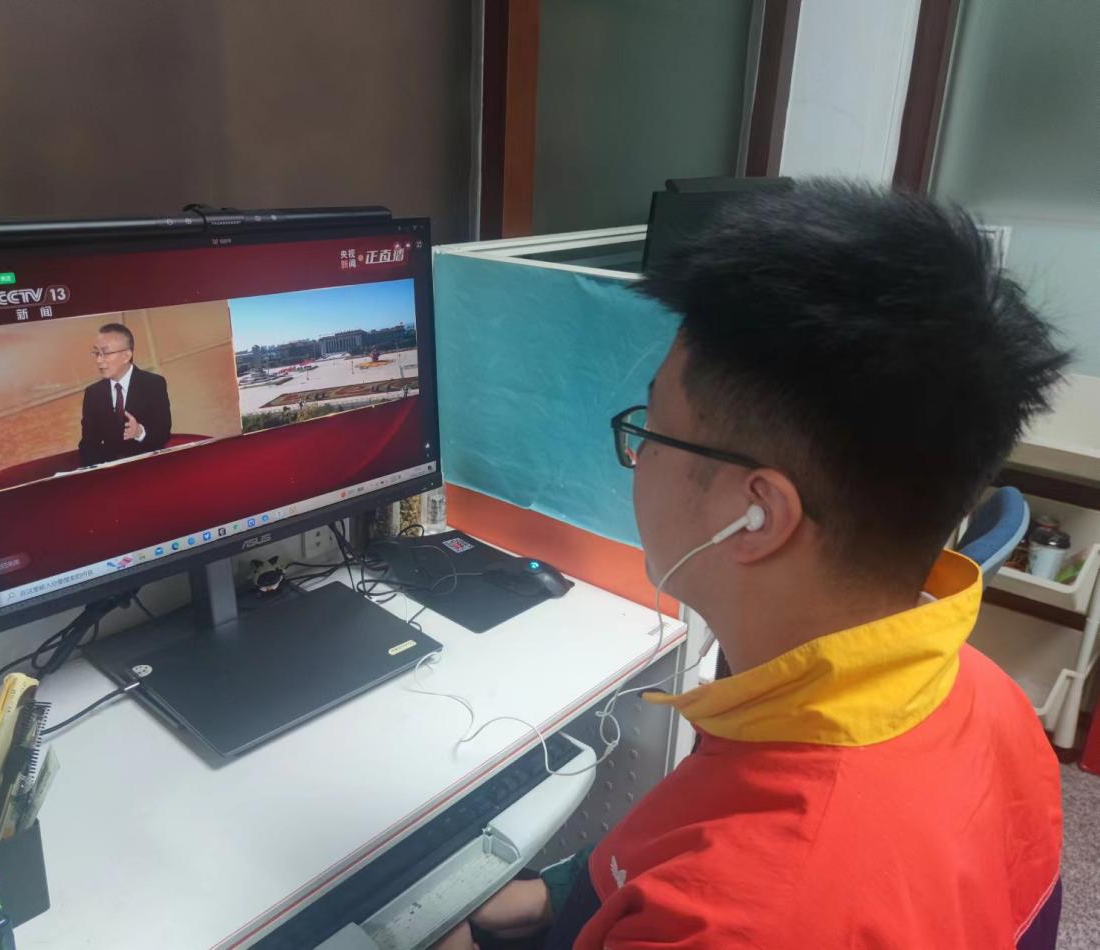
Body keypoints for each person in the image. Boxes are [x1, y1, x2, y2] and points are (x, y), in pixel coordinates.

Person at [437, 181, 1068, 949]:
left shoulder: (737, 920)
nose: (635, 456)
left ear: (756, 512)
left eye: (651, 428)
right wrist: (550, 894)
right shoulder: (988, 697)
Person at [78, 323, 172, 466]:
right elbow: (88, 444)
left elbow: (163, 433)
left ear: (126, 355)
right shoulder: (93, 393)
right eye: (96, 353)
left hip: (148, 468)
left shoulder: (154, 384)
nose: (99, 360)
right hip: (109, 473)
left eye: (105, 353)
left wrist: (139, 432)